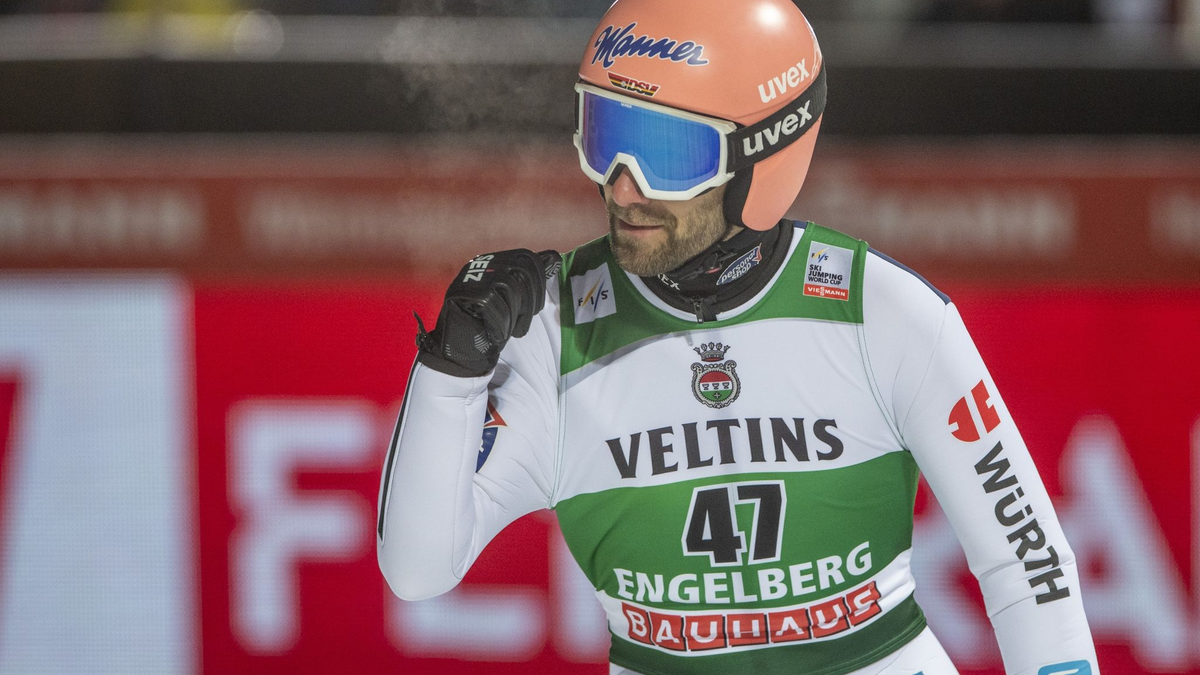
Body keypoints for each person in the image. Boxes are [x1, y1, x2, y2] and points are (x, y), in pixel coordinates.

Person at [376, 1, 1100, 673]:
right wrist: (450, 368)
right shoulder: (552, 331)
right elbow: (417, 568)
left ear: (765, 155)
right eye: (607, 137)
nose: (624, 187)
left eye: (666, 150)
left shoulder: (881, 313)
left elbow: (1027, 563)